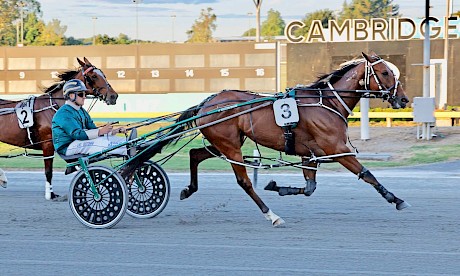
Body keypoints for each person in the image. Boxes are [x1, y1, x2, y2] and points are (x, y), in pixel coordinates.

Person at [52, 79, 129, 157]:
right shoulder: (64, 113)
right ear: (71, 96)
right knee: (101, 143)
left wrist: (112, 132)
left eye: (85, 94)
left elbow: (93, 129)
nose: (84, 97)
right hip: (67, 147)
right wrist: (101, 131)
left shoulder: (82, 111)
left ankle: (130, 144)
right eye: (81, 94)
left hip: (79, 142)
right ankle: (128, 149)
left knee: (111, 140)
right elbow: (77, 134)